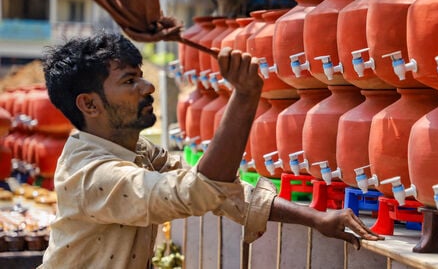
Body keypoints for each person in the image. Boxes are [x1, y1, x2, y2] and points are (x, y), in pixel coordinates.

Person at [38, 31, 382, 268]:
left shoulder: (137, 151)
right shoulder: (91, 174)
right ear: (89, 104)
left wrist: (318, 218)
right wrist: (245, 97)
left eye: (141, 76)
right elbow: (198, 191)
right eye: (129, 81)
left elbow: (222, 193)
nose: (147, 87)